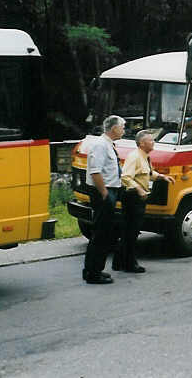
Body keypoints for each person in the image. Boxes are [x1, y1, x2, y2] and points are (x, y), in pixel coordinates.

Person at [114, 130, 175, 273]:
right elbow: (125, 177)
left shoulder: (145, 157)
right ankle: (129, 264)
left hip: (137, 196)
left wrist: (162, 177)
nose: (153, 142)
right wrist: (139, 190)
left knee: (130, 230)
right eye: (151, 140)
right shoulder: (134, 157)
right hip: (132, 196)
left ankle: (119, 262)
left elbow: (148, 173)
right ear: (142, 143)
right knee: (131, 230)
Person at [82, 115, 125, 285]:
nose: (124, 129)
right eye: (122, 126)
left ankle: (93, 269)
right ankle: (93, 273)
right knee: (101, 233)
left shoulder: (107, 144)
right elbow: (95, 171)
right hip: (104, 192)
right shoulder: (100, 145)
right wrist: (105, 193)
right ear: (113, 128)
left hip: (109, 190)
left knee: (103, 232)